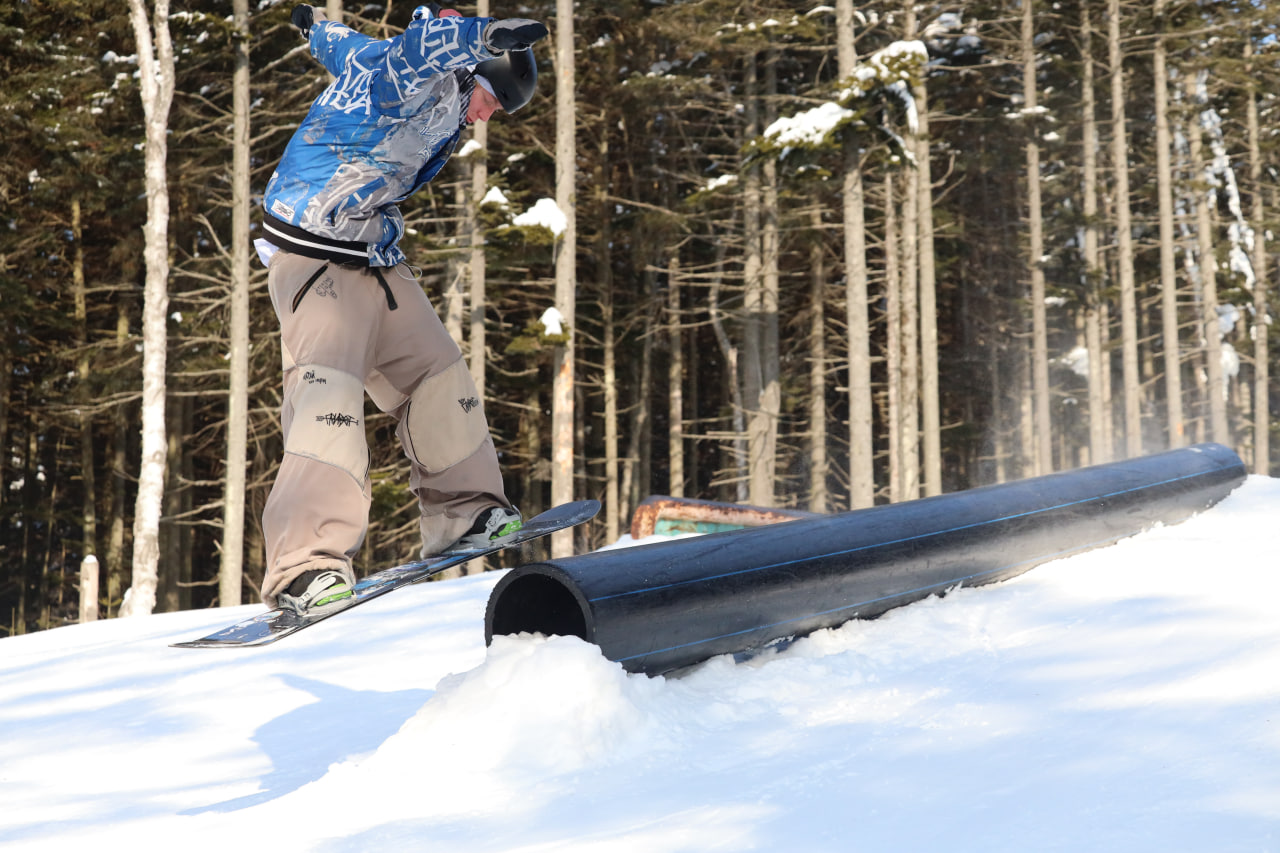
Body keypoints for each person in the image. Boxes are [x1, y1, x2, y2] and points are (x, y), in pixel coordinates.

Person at [254, 4, 548, 616]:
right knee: (328, 399)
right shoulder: (410, 75)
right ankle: (303, 566)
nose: (491, 115)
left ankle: (465, 511)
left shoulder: (375, 63)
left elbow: (344, 46)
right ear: (471, 68)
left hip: (374, 251)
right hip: (315, 252)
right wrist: (478, 34)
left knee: (438, 376)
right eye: (494, 98)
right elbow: (418, 47)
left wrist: (311, 24)